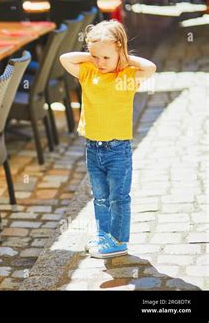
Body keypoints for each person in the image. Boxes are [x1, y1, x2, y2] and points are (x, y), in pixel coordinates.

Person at [60, 20, 156, 259]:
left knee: (119, 197)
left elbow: (151, 67)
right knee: (100, 197)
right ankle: (104, 235)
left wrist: (124, 58)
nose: (100, 63)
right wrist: (92, 56)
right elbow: (65, 58)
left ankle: (119, 240)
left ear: (119, 52)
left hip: (117, 149)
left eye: (106, 57)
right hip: (93, 148)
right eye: (96, 56)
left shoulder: (128, 76)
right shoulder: (87, 72)